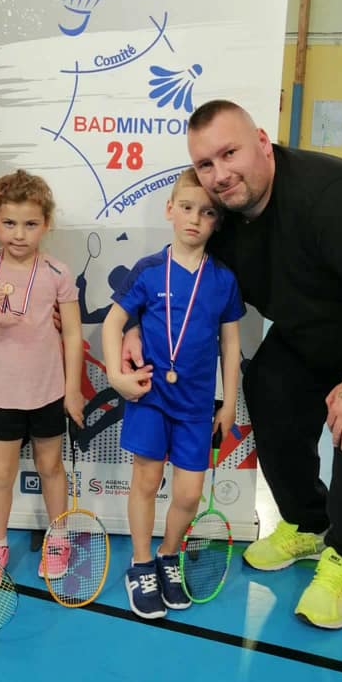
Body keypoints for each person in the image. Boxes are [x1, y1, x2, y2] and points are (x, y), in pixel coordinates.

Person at [126, 100, 342, 629]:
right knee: (271, 387)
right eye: (205, 164)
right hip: (336, 318)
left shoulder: (325, 194)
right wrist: (138, 327)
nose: (219, 174)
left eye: (229, 153)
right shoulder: (225, 217)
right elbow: (186, 285)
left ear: (262, 141)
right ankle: (307, 521)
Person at [103, 168, 243, 619]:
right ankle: (141, 563)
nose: (194, 220)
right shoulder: (147, 270)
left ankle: (167, 555)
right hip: (150, 396)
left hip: (197, 406)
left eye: (206, 213)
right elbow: (111, 323)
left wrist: (230, 403)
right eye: (186, 208)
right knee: (145, 481)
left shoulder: (223, 279)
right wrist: (116, 375)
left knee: (186, 494)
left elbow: (231, 345)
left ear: (216, 222)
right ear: (170, 210)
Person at [0, 169, 85, 589]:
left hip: (48, 392)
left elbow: (72, 333)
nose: (19, 234)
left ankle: (59, 538)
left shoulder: (57, 272)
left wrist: (72, 389)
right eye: (10, 223)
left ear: (46, 225)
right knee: (0, 474)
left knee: (51, 467)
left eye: (30, 224)